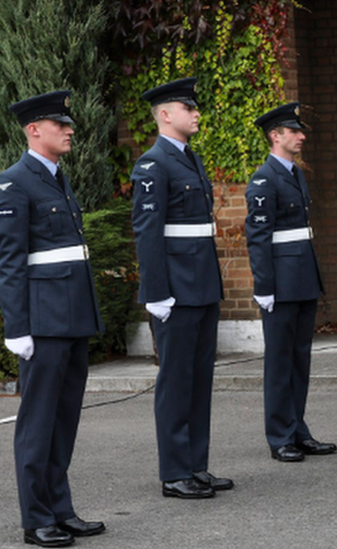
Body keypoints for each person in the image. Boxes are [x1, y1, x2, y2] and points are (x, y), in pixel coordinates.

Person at [0, 90, 106, 547]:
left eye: (69, 123)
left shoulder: (58, 179)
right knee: (38, 423)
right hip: (43, 323)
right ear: (33, 130)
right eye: (60, 124)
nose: (70, 129)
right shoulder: (13, 183)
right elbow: (9, 261)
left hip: (72, 318)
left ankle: (60, 508)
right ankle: (35, 517)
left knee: (64, 420)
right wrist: (17, 328)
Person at [131, 77, 233, 499]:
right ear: (165, 114)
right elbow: (148, 233)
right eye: (187, 108)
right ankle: (174, 472)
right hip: (175, 290)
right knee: (176, 381)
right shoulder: (154, 165)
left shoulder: (191, 159)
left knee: (199, 380)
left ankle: (196, 464)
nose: (196, 114)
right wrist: (156, 294)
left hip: (202, 284)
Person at [245, 102, 337, 463]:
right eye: (294, 131)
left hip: (300, 277)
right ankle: (279, 434)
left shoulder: (295, 174)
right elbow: (258, 236)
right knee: (280, 362)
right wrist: (264, 286)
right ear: (275, 136)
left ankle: (298, 429)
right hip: (281, 283)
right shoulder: (265, 178)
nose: (301, 136)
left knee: (300, 359)